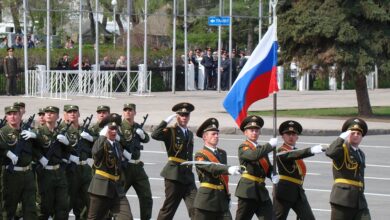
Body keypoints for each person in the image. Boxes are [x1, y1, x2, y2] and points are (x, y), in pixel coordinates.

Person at [151, 102, 197, 220]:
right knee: (168, 209)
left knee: (196, 208)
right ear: (177, 116)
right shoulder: (170, 131)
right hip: (174, 176)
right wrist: (166, 121)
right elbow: (155, 135)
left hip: (188, 177)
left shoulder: (190, 134)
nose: (184, 117)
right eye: (181, 115)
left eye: (186, 115)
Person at [274, 120, 324, 220]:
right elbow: (291, 155)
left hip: (298, 191)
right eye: (288, 134)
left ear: (297, 137)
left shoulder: (297, 151)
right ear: (282, 136)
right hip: (285, 191)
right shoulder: (281, 151)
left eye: (293, 134)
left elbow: (296, 154)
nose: (291, 136)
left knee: (308, 218)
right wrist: (310, 150)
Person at [193, 117, 242, 220]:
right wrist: (228, 169)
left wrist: (227, 196)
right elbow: (211, 167)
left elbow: (223, 177)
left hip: (222, 200)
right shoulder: (199, 155)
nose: (216, 136)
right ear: (205, 137)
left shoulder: (222, 153)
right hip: (206, 200)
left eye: (217, 134)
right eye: (213, 134)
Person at [87, 113, 133, 220]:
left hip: (117, 189)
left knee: (126, 217)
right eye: (111, 128)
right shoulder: (101, 143)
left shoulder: (117, 145)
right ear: (105, 130)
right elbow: (95, 153)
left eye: (116, 128)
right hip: (101, 188)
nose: (114, 131)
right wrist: (102, 136)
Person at [326, 118, 371, 220]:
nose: (356, 135)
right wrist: (341, 138)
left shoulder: (361, 153)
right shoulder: (341, 149)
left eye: (358, 134)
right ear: (347, 134)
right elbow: (330, 152)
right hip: (342, 199)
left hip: (359, 200)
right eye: (352, 133)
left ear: (361, 137)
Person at [235, 115, 278, 220]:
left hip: (261, 192)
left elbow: (267, 167)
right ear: (245, 133)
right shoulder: (243, 147)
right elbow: (253, 156)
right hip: (247, 191)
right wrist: (269, 145)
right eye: (251, 130)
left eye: (257, 130)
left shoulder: (261, 149)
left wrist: (272, 174)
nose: (254, 132)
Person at [0, 106, 38, 219]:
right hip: (12, 175)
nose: (12, 116)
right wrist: (7, 152)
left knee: (30, 209)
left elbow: (38, 147)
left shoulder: (26, 131)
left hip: (28, 174)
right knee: (8, 208)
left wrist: (35, 135)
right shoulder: (2, 132)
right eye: (10, 114)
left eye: (15, 114)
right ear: (6, 117)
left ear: (20, 116)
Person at [34, 106, 71, 219]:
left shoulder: (62, 132)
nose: (49, 114)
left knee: (62, 206)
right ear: (44, 116)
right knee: (44, 206)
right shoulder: (38, 132)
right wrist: (40, 157)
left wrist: (67, 143)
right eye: (47, 113)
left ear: (58, 116)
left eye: (52, 113)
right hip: (45, 173)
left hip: (59, 172)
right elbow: (31, 148)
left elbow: (68, 151)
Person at [119, 103, 153, 220]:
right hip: (125, 167)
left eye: (130, 110)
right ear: (123, 112)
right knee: (117, 197)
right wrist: (124, 153)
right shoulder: (119, 127)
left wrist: (142, 134)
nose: (128, 112)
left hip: (137, 166)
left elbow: (147, 139)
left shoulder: (137, 126)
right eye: (126, 110)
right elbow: (115, 143)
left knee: (146, 197)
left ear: (135, 112)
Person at [61, 105, 93, 220]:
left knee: (89, 201)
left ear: (79, 114)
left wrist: (91, 138)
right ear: (65, 114)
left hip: (85, 169)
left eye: (75, 112)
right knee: (68, 202)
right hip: (71, 169)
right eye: (69, 112)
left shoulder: (84, 129)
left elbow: (93, 148)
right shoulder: (62, 130)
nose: (73, 114)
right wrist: (68, 156)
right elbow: (57, 150)